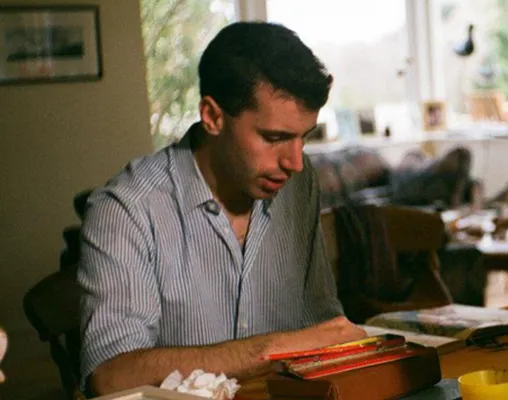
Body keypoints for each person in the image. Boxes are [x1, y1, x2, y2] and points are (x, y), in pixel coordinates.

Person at [78, 22, 366, 396]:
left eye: (304, 138)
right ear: (213, 117)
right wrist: (271, 350)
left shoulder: (298, 182)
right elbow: (110, 377)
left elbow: (319, 323)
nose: (294, 162)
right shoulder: (126, 209)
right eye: (274, 138)